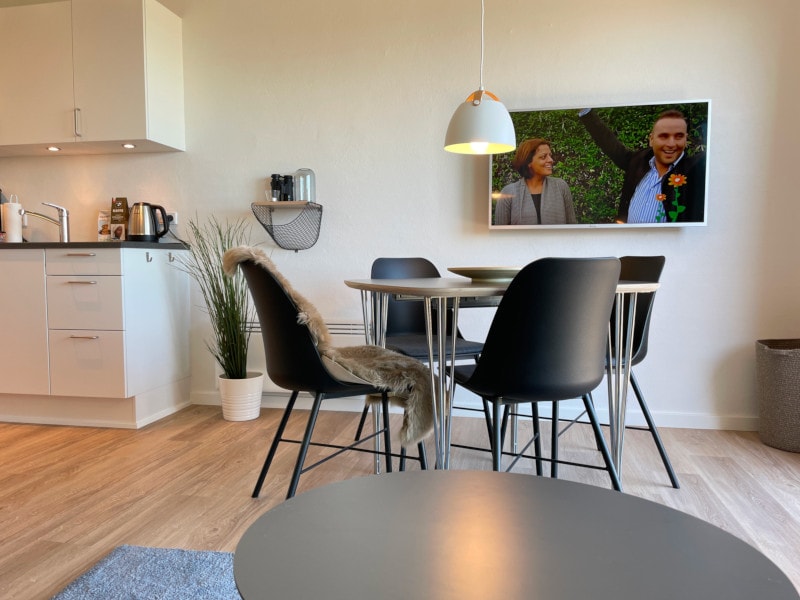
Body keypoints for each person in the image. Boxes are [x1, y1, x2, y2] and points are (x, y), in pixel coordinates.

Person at [578, 108, 706, 223]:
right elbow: (609, 144)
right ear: (651, 139)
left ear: (685, 139)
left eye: (678, 136)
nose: (671, 144)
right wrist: (586, 111)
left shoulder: (693, 172)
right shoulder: (638, 162)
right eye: (664, 136)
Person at [494, 138, 577, 225]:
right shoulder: (508, 192)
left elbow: (572, 227)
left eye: (550, 155)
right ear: (528, 162)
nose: (551, 160)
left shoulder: (560, 187)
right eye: (543, 157)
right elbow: (499, 231)